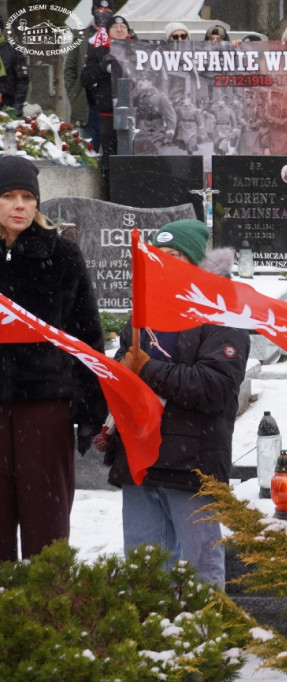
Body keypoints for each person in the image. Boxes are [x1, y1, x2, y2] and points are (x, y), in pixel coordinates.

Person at [105, 220, 249, 588]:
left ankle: (206, 642)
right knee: (145, 571)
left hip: (192, 465)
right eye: (160, 256)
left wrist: (149, 368)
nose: (166, 263)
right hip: (141, 459)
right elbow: (124, 369)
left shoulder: (221, 311)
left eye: (177, 256)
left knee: (202, 571)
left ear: (198, 262)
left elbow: (214, 386)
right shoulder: (145, 307)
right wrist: (110, 422)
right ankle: (153, 642)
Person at [0, 156, 106, 562]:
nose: (20, 205)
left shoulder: (62, 256)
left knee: (47, 523)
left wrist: (89, 409)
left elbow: (86, 337)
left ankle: (47, 608)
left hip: (45, 408)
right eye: (8, 196)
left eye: (28, 196)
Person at [80, 14, 132, 197]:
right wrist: (101, 67)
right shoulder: (99, 51)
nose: (119, 30)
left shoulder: (138, 51)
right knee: (111, 160)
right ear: (108, 32)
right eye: (115, 28)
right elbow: (85, 80)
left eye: (123, 27)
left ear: (128, 32)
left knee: (133, 159)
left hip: (134, 116)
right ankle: (112, 196)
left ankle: (132, 195)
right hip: (108, 115)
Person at [64, 0, 112, 146]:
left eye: (107, 9)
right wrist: (73, 93)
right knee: (88, 152)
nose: (103, 12)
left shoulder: (122, 32)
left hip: (115, 106)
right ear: (93, 11)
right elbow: (70, 69)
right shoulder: (81, 36)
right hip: (89, 106)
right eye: (99, 8)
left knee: (116, 155)